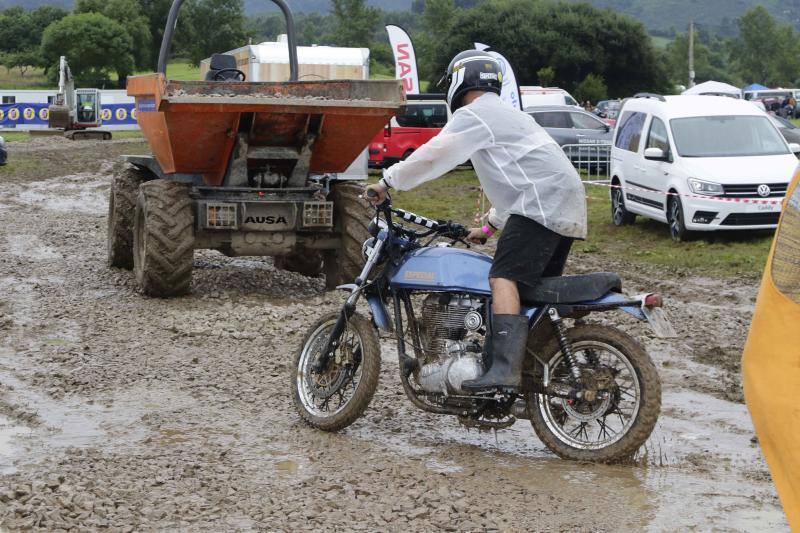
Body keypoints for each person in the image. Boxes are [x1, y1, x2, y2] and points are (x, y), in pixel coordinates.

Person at [365, 50, 587, 394]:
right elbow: (514, 179)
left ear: (460, 81)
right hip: (562, 203)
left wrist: (387, 182)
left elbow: (434, 155)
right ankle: (531, 371)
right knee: (528, 293)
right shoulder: (507, 116)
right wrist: (487, 228)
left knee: (502, 277)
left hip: (541, 204)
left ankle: (502, 371)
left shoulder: (475, 114)